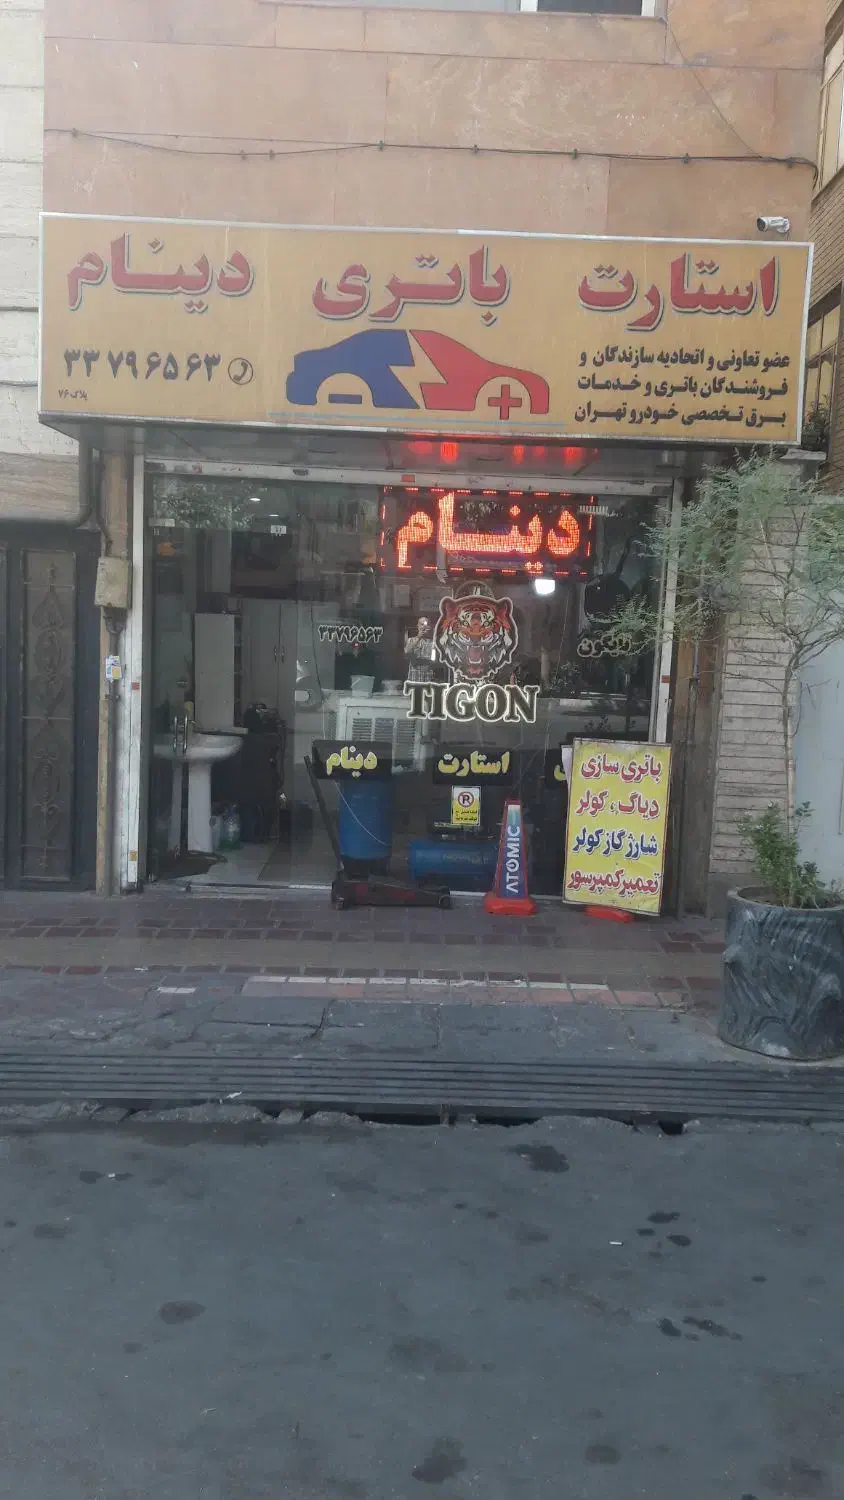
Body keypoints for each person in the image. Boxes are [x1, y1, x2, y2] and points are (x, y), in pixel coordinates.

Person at [404, 614, 439, 683]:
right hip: (414, 676)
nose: (423, 627)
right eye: (421, 624)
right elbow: (407, 652)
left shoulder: (433, 642)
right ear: (418, 626)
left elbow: (435, 659)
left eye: (426, 625)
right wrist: (418, 637)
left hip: (428, 676)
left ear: (429, 627)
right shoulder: (411, 640)